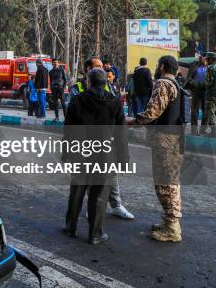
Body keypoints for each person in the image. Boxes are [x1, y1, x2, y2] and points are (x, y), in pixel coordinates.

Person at [63, 68, 128, 245]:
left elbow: (69, 130)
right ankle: (95, 234)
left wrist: (65, 154)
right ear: (106, 83)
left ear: (88, 82)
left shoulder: (77, 100)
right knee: (99, 196)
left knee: (77, 191)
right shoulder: (115, 102)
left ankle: (71, 227)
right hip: (105, 155)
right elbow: (121, 135)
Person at [70, 57, 134, 220]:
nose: (102, 70)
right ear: (87, 70)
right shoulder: (77, 89)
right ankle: (87, 211)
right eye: (97, 67)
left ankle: (116, 205)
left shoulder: (108, 86)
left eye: (102, 67)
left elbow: (115, 110)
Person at [131, 56, 184, 242]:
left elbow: (153, 112)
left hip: (165, 139)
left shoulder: (162, 83)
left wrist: (134, 121)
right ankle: (170, 221)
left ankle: (172, 228)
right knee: (170, 181)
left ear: (161, 66)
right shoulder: (175, 83)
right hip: (174, 137)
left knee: (166, 183)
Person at [185, 54, 208, 135]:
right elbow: (190, 78)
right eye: (202, 58)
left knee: (206, 111)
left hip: (206, 91)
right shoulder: (194, 64)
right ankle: (194, 131)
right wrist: (193, 83)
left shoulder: (211, 67)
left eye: (205, 58)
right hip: (196, 90)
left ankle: (203, 129)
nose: (204, 59)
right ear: (200, 58)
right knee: (195, 111)